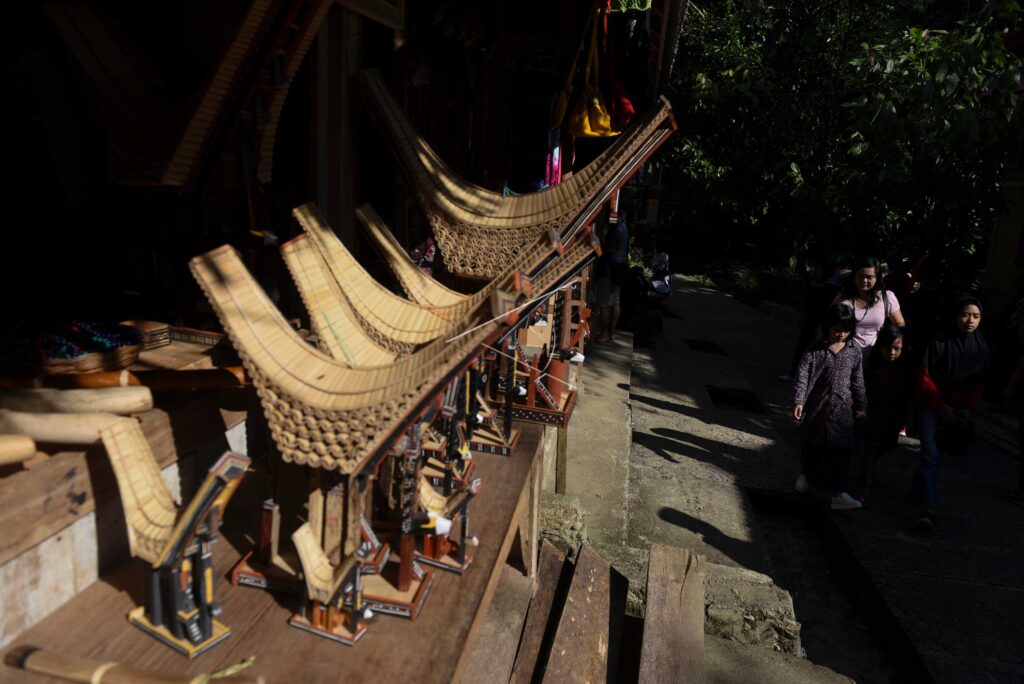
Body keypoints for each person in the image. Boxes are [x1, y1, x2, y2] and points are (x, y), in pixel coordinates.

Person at [913, 295, 990, 533]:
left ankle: (918, 487)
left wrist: (967, 408)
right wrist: (941, 406)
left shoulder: (980, 347)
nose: (970, 321)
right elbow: (924, 377)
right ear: (956, 315)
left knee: (936, 454)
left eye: (976, 316)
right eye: (965, 315)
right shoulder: (939, 342)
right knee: (930, 452)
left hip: (956, 408)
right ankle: (929, 508)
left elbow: (979, 383)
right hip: (931, 403)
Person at [793, 303, 868, 510]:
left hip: (843, 410)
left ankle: (839, 493)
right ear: (828, 327)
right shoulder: (816, 349)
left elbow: (858, 381)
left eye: (845, 330)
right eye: (837, 330)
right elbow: (803, 376)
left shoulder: (854, 351)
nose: (841, 334)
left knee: (842, 451)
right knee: (812, 444)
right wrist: (799, 400)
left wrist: (862, 405)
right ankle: (806, 476)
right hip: (817, 407)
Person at [857, 324, 912, 505]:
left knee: (887, 444)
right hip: (872, 414)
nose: (892, 353)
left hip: (891, 417)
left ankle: (866, 469)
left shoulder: (904, 370)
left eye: (897, 349)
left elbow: (905, 397)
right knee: (869, 448)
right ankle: (863, 487)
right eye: (888, 348)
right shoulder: (871, 366)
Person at [781, 256, 842, 382]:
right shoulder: (827, 285)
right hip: (815, 321)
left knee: (808, 349)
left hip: (817, 323)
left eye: (819, 270)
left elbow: (816, 305)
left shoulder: (828, 288)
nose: (817, 273)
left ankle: (799, 375)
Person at [835, 256, 905, 353]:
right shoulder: (842, 300)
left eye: (869, 277)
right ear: (854, 276)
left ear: (877, 278)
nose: (864, 280)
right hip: (847, 352)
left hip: (876, 353)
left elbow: (900, 324)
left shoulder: (887, 297)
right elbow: (830, 327)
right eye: (860, 276)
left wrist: (887, 337)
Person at [595, 218, 629, 342]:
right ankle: (611, 332)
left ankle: (605, 333)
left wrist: (600, 245)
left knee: (605, 303)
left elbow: (611, 248)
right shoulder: (624, 227)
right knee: (616, 301)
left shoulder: (616, 228)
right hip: (619, 267)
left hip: (610, 267)